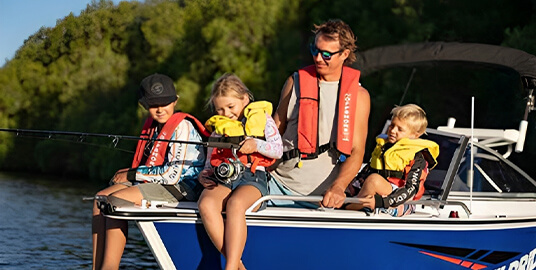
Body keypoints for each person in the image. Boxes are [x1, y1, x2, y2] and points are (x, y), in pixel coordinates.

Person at [92, 73, 208, 270]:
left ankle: (109, 267)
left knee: (115, 202)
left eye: (165, 103)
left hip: (183, 186)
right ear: (144, 105)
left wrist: (131, 174)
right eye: (154, 105)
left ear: (175, 101)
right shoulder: (153, 127)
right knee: (99, 199)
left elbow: (173, 175)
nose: (160, 109)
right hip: (159, 181)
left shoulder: (183, 127)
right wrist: (133, 172)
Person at [271, 19, 370, 208]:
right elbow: (273, 132)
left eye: (326, 54)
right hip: (276, 185)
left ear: (344, 54)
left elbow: (357, 151)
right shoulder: (295, 82)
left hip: (321, 199)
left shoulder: (359, 96)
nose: (318, 58)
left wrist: (339, 187)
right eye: (315, 50)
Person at [197, 74, 282, 270]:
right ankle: (238, 266)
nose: (226, 113)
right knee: (207, 204)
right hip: (224, 176)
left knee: (236, 205)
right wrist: (206, 172)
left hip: (252, 177)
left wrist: (256, 144)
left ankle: (230, 266)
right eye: (220, 109)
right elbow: (212, 153)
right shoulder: (220, 125)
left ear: (245, 99)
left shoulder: (263, 119)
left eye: (231, 107)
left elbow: (277, 149)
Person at [345, 104, 440, 216]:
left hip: (401, 200)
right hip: (376, 192)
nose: (393, 130)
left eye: (400, 129)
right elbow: (368, 170)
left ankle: (349, 207)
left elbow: (411, 189)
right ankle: (349, 201)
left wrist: (383, 202)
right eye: (392, 125)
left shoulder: (417, 157)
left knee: (373, 180)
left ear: (415, 135)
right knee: (346, 179)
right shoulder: (385, 147)